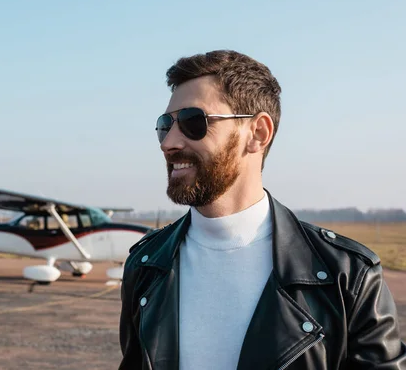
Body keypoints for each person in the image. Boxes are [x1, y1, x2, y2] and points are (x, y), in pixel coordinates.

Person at [118, 49, 406, 369]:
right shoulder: (144, 266)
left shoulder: (347, 275)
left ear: (258, 134)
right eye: (164, 124)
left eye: (192, 122)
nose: (168, 141)